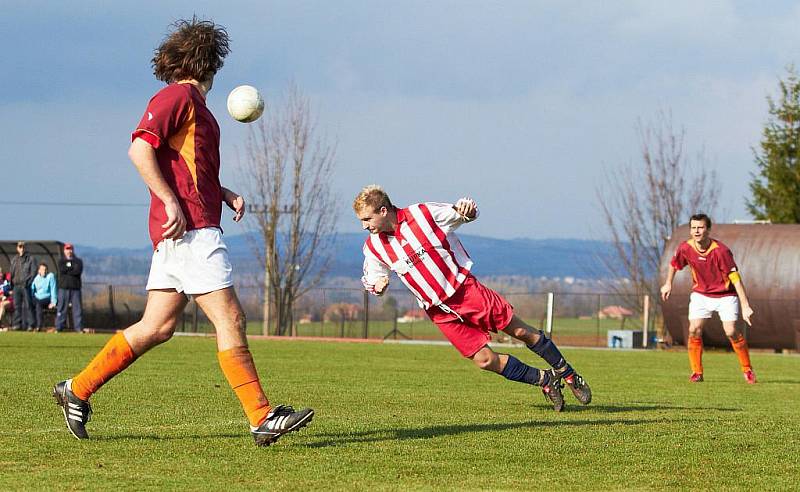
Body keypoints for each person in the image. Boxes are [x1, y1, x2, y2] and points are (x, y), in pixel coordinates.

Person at [53, 18, 313, 446]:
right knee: (231, 318)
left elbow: (184, 167)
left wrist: (224, 192)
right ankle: (262, 417)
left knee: (156, 327)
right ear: (211, 60)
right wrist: (171, 202)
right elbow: (139, 151)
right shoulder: (177, 96)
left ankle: (76, 390)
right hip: (192, 232)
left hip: (186, 231)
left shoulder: (198, 107)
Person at [353, 185, 592, 411]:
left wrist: (467, 210)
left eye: (367, 219)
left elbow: (459, 214)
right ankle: (545, 379)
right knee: (485, 360)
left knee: (520, 332)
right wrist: (378, 285)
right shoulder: (374, 247)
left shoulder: (422, 213)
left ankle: (568, 373)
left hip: (465, 291)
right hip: (439, 311)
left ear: (383, 210)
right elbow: (372, 278)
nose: (364, 226)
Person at [660, 213, 756, 384]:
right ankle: (697, 372)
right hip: (701, 295)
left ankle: (747, 369)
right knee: (693, 330)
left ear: (708, 230)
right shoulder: (685, 247)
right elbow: (674, 264)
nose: (697, 231)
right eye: (693, 228)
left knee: (731, 331)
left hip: (725, 295)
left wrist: (745, 305)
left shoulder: (721, 251)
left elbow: (735, 279)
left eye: (701, 227)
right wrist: (668, 284)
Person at [56, 243, 84, 332]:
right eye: (67, 249)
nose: (69, 251)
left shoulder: (78, 261)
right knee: (61, 309)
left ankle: (78, 328)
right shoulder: (61, 261)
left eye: (70, 249)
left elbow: (77, 271)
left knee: (77, 309)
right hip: (63, 288)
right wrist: (71, 268)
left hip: (75, 289)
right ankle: (59, 327)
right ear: (64, 251)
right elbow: (62, 270)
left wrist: (69, 268)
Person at [10, 241, 36, 331]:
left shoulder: (31, 259)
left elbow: (33, 273)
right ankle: (17, 324)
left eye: (23, 247)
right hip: (16, 286)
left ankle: (31, 325)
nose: (22, 249)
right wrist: (11, 284)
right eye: (20, 247)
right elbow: (12, 273)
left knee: (28, 305)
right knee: (17, 306)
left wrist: (28, 283)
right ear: (17, 248)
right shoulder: (14, 259)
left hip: (25, 286)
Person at [31, 263, 57, 331]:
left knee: (38, 304)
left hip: (46, 298)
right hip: (37, 298)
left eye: (45, 270)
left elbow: (53, 289)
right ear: (39, 271)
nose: (44, 271)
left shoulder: (50, 276)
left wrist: (53, 302)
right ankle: (29, 325)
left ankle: (39, 326)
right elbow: (32, 289)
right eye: (42, 270)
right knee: (28, 304)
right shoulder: (36, 278)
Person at [0, 266, 13, 330]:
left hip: (9, 300)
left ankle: (3, 326)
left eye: (1, 273)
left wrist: (6, 294)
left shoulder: (7, 282)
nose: (0, 274)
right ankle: (5, 326)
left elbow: (12, 292)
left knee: (1, 305)